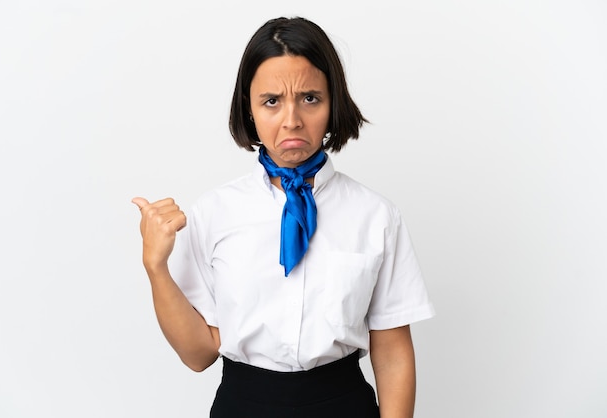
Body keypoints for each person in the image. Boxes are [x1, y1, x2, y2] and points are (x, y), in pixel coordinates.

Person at [132, 16, 434, 418]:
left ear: (333, 103)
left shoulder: (375, 216)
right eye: (271, 101)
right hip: (244, 404)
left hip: (342, 404)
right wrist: (156, 267)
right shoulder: (214, 213)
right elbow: (198, 354)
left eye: (310, 98)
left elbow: (393, 351)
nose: (291, 119)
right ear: (250, 108)